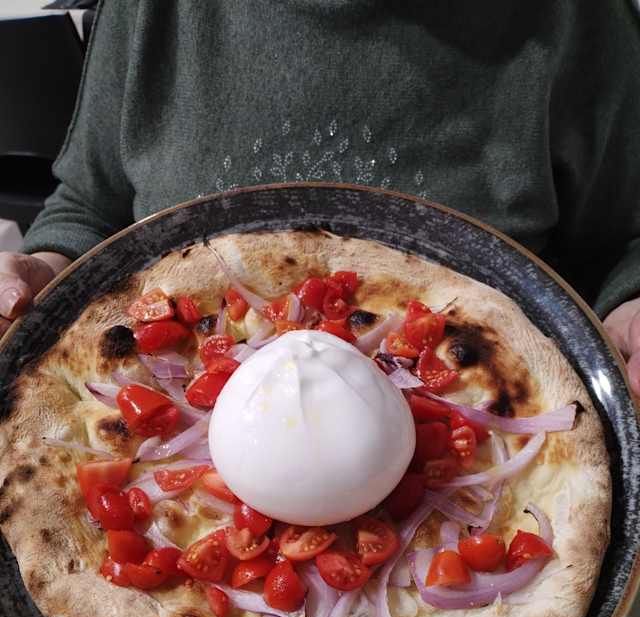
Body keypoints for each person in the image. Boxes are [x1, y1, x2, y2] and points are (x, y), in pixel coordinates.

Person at [1, 0, 639, 391]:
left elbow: (627, 236)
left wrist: (631, 302)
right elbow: (91, 207)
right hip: (151, 441)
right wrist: (40, 272)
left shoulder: (576, 16)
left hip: (498, 426)